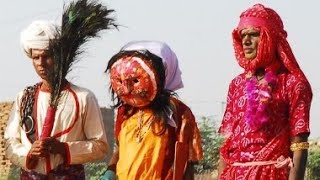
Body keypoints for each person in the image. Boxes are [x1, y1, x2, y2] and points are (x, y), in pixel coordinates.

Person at [218, 4, 312, 180]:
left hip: (271, 175)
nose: (245, 41)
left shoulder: (293, 84)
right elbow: (228, 145)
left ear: (270, 38)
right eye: (242, 35)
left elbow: (299, 145)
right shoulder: (236, 84)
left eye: (253, 34)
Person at [4, 20, 109, 179]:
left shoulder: (83, 97)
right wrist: (29, 154)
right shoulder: (24, 97)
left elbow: (100, 146)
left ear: (59, 57)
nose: (41, 64)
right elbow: (10, 144)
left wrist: (64, 148)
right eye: (36, 57)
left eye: (46, 56)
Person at [103, 41, 203, 180]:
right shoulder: (125, 112)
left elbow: (187, 163)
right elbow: (120, 150)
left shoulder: (178, 113)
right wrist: (110, 172)